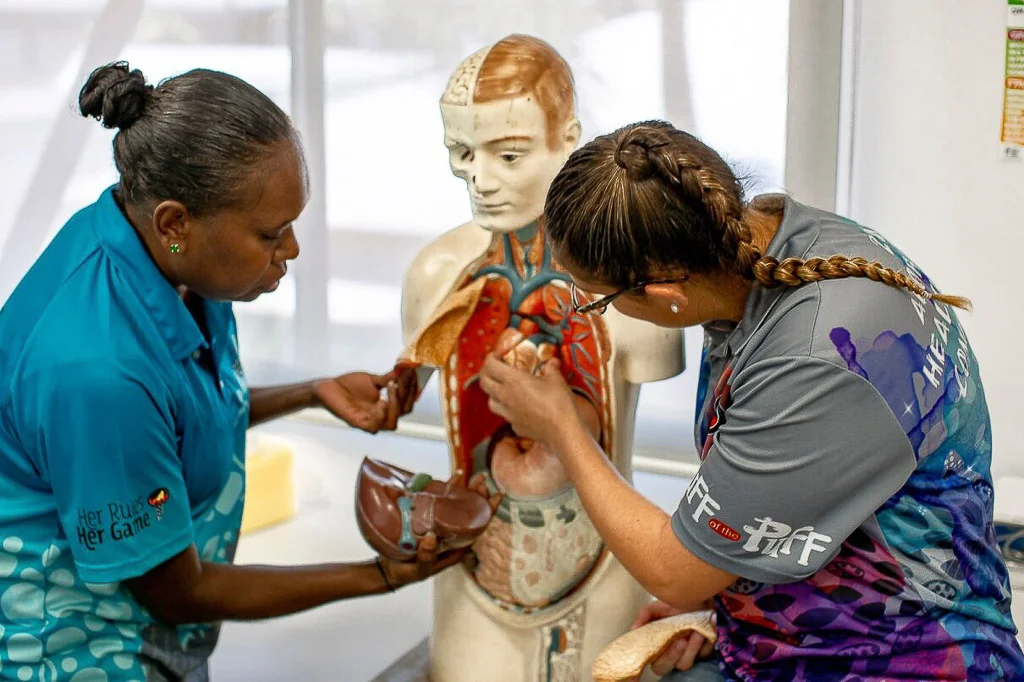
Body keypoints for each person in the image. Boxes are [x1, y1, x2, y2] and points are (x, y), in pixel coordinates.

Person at [479, 119, 1024, 680]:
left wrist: (561, 427)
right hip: (802, 622)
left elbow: (672, 571)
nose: (592, 309)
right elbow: (798, 491)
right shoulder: (782, 239)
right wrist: (730, 590)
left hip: (900, 657)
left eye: (596, 300)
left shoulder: (811, 358)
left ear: (665, 292)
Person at [0, 62, 468, 681]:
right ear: (175, 223)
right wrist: (377, 576)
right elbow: (175, 593)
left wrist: (310, 392)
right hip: (83, 649)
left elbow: (175, 416)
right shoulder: (97, 370)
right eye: (272, 233)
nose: (293, 250)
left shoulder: (172, 257)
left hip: (162, 629)